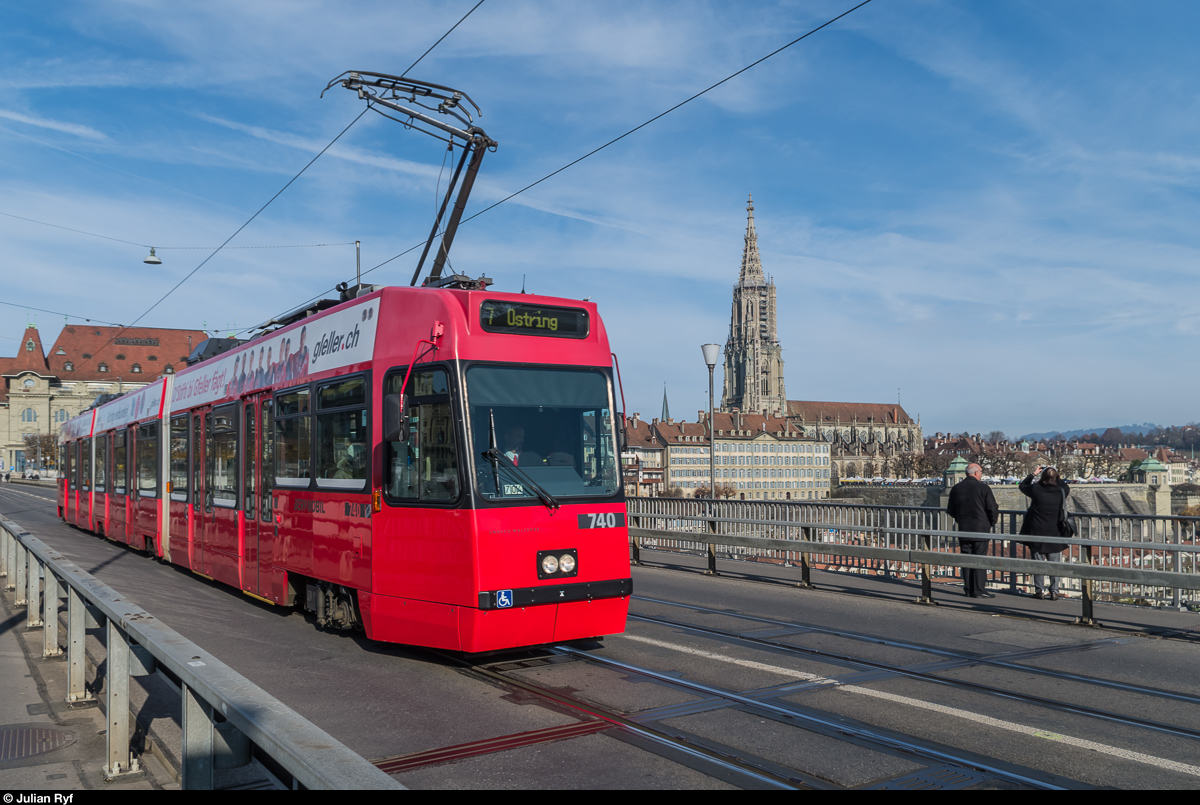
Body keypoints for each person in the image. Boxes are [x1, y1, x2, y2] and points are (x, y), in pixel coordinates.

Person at [946, 462, 999, 598]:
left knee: (967, 559)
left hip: (964, 528)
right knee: (979, 559)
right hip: (981, 529)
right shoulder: (983, 488)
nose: (981, 475)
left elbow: (951, 510)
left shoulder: (956, 488)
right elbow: (992, 508)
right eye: (981, 472)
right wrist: (990, 523)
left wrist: (961, 520)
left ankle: (968, 588)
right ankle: (979, 590)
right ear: (976, 473)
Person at [1020, 465, 1070, 600]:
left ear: (1042, 478)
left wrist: (1033, 474)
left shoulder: (1035, 489)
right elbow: (1063, 484)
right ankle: (1054, 590)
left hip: (1037, 531)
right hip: (1055, 531)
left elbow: (1022, 486)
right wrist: (1055, 474)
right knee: (1054, 564)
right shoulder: (1062, 490)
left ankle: (1039, 590)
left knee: (1038, 563)